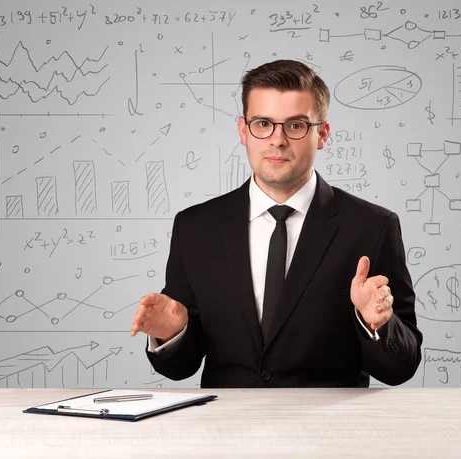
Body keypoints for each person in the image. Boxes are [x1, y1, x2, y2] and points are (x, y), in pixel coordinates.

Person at [130, 59, 422, 388]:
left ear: (322, 134)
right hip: (225, 429)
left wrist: (377, 324)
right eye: (263, 124)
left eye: (295, 126)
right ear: (243, 131)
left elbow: (402, 368)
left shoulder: (372, 227)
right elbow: (181, 368)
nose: (277, 140)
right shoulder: (195, 228)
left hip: (329, 432)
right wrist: (173, 334)